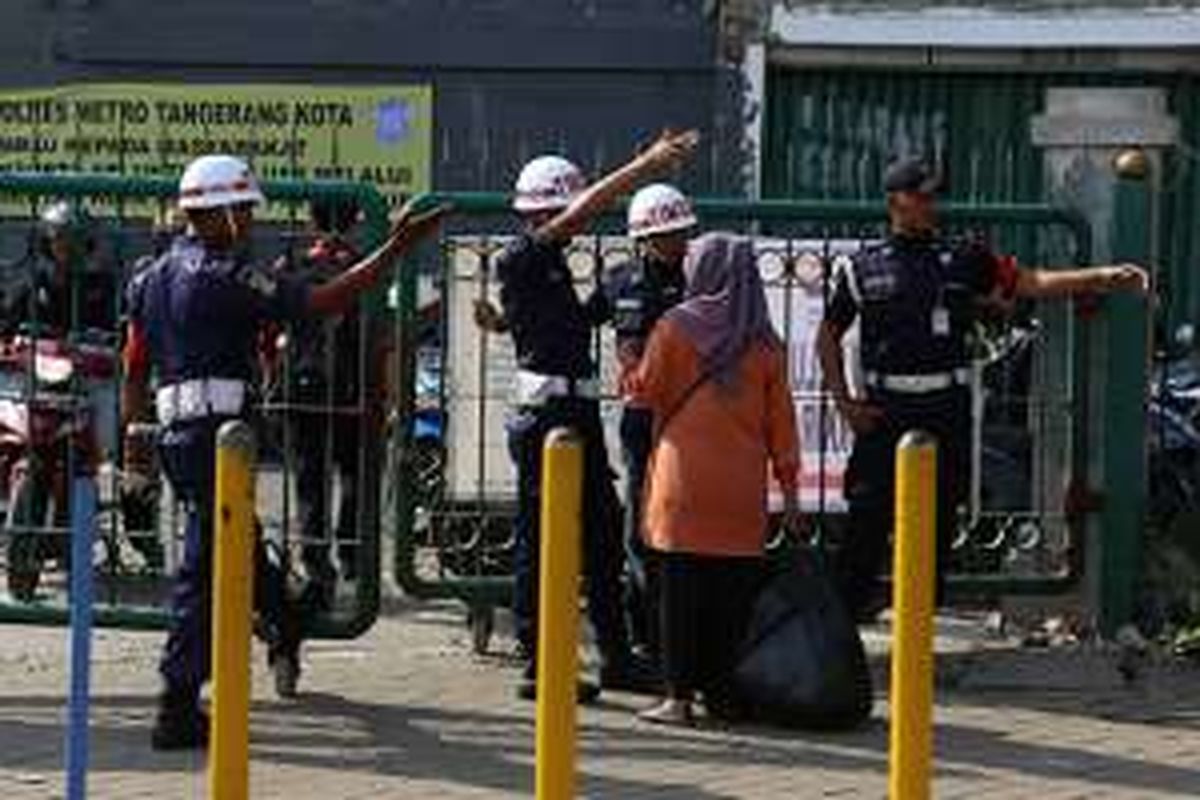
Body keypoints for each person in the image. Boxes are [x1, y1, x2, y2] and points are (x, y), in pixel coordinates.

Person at [122, 154, 445, 750]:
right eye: (242, 210)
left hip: (176, 436)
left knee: (233, 546)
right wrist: (396, 248)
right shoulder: (229, 275)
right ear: (216, 213)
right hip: (223, 442)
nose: (248, 222)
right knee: (201, 569)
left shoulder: (149, 276)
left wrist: (135, 444)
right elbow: (321, 303)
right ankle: (177, 701)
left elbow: (135, 366)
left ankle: (286, 617)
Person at [815, 157, 1149, 621]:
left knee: (935, 523)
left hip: (944, 406)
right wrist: (843, 402)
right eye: (923, 196)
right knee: (866, 524)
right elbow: (827, 334)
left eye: (936, 195)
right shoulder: (861, 266)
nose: (934, 205)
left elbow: (1029, 282)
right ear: (896, 202)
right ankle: (839, 637)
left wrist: (1100, 277)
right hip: (884, 409)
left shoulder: (964, 256)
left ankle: (918, 635)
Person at [472, 130, 698, 701]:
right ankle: (537, 662)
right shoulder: (522, 254)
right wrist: (643, 164)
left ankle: (616, 657)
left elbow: (556, 323)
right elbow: (584, 208)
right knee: (541, 540)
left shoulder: (547, 268)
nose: (578, 222)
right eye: (566, 210)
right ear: (545, 211)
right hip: (547, 417)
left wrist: (501, 323)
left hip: (576, 411)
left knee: (601, 535)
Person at [629, 232, 800, 726]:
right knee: (729, 600)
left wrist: (628, 366)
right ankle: (721, 696)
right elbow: (782, 427)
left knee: (679, 598)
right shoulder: (765, 342)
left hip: (682, 486)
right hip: (741, 491)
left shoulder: (675, 327)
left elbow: (645, 392)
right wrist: (788, 494)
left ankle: (678, 699)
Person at [269, 197, 376, 599]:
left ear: (313, 221)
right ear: (355, 221)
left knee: (310, 480)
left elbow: (270, 332)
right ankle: (351, 555)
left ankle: (317, 565)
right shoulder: (366, 265)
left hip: (302, 388)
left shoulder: (290, 267)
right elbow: (381, 335)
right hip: (353, 387)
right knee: (354, 475)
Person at [606, 183, 695, 662]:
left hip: (689, 425)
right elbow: (579, 319)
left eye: (680, 232)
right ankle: (644, 632)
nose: (675, 242)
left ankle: (679, 634)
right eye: (665, 234)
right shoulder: (619, 280)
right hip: (641, 423)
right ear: (643, 237)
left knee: (683, 528)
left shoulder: (701, 282)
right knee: (639, 530)